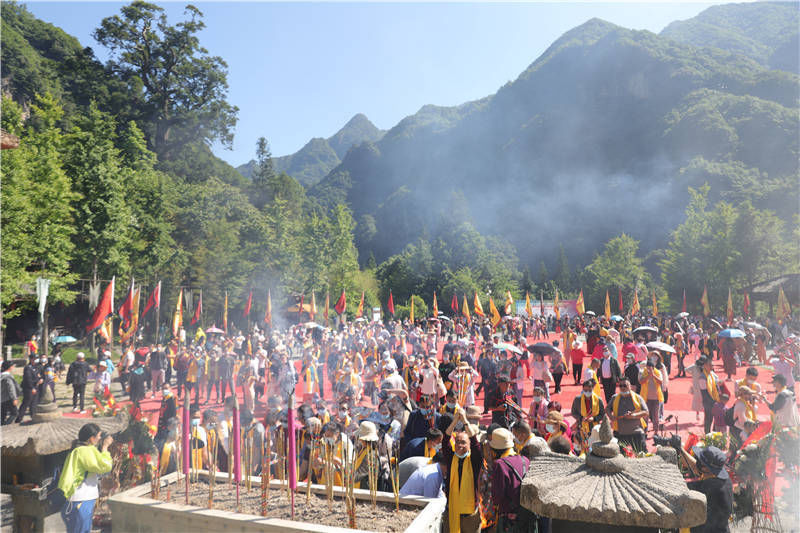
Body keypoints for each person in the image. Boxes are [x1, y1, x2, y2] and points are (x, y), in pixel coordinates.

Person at [58, 423, 114, 533]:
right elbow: (105, 466)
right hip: (82, 498)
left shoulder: (78, 448)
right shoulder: (85, 451)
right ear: (91, 438)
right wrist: (105, 447)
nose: (99, 438)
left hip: (77, 499)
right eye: (98, 436)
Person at [490, 427, 540, 533]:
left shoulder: (500, 464)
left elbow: (497, 497)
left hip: (510, 521)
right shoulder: (525, 460)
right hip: (528, 518)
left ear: (495, 450)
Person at [442, 406, 482, 533]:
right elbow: (445, 440)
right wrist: (455, 421)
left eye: (464, 443)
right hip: (452, 510)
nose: (460, 445)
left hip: (470, 514)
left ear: (469, 445)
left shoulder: (474, 461)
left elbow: (475, 443)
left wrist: (465, 421)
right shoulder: (451, 458)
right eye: (458, 442)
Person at [677, 445, 733, 533]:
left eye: (700, 461)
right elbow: (696, 467)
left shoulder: (710, 486)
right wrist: (680, 449)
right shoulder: (723, 479)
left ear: (704, 467)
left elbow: (682, 488)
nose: (698, 462)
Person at [608, 378, 648, 451]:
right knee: (621, 457)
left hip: (636, 432)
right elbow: (607, 409)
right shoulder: (614, 397)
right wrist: (611, 417)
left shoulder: (637, 397)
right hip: (620, 433)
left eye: (625, 385)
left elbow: (646, 412)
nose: (623, 388)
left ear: (630, 386)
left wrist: (634, 416)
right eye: (620, 386)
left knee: (642, 455)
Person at [570, 379, 605, 453]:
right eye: (585, 390)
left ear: (593, 389)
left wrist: (594, 419)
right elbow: (573, 412)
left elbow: (602, 414)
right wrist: (581, 418)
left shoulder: (598, 400)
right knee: (583, 448)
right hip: (581, 427)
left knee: (594, 447)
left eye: (589, 390)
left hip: (594, 428)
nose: (587, 392)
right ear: (582, 389)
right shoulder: (577, 399)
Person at [639, 358, 664, 434]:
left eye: (650, 368)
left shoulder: (658, 372)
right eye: (647, 368)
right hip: (646, 398)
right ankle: (645, 431)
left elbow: (660, 382)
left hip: (656, 398)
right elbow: (641, 382)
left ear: (653, 368)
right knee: (645, 415)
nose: (648, 369)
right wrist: (648, 376)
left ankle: (656, 431)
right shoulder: (644, 373)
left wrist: (653, 376)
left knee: (655, 416)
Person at [698, 357, 723, 434]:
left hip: (716, 400)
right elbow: (704, 393)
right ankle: (707, 435)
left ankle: (715, 434)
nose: (712, 367)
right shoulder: (702, 377)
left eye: (712, 365)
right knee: (708, 420)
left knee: (717, 420)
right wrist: (713, 403)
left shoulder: (713, 375)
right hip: (708, 402)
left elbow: (717, 386)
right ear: (704, 365)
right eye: (710, 365)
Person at [16, 354, 42, 423]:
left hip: (36, 386)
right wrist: (32, 388)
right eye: (34, 358)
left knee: (34, 403)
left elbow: (38, 375)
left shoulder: (36, 367)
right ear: (31, 359)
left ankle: (33, 417)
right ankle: (19, 418)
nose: (36, 360)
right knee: (26, 403)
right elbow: (28, 379)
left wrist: (40, 379)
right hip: (29, 388)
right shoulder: (28, 367)